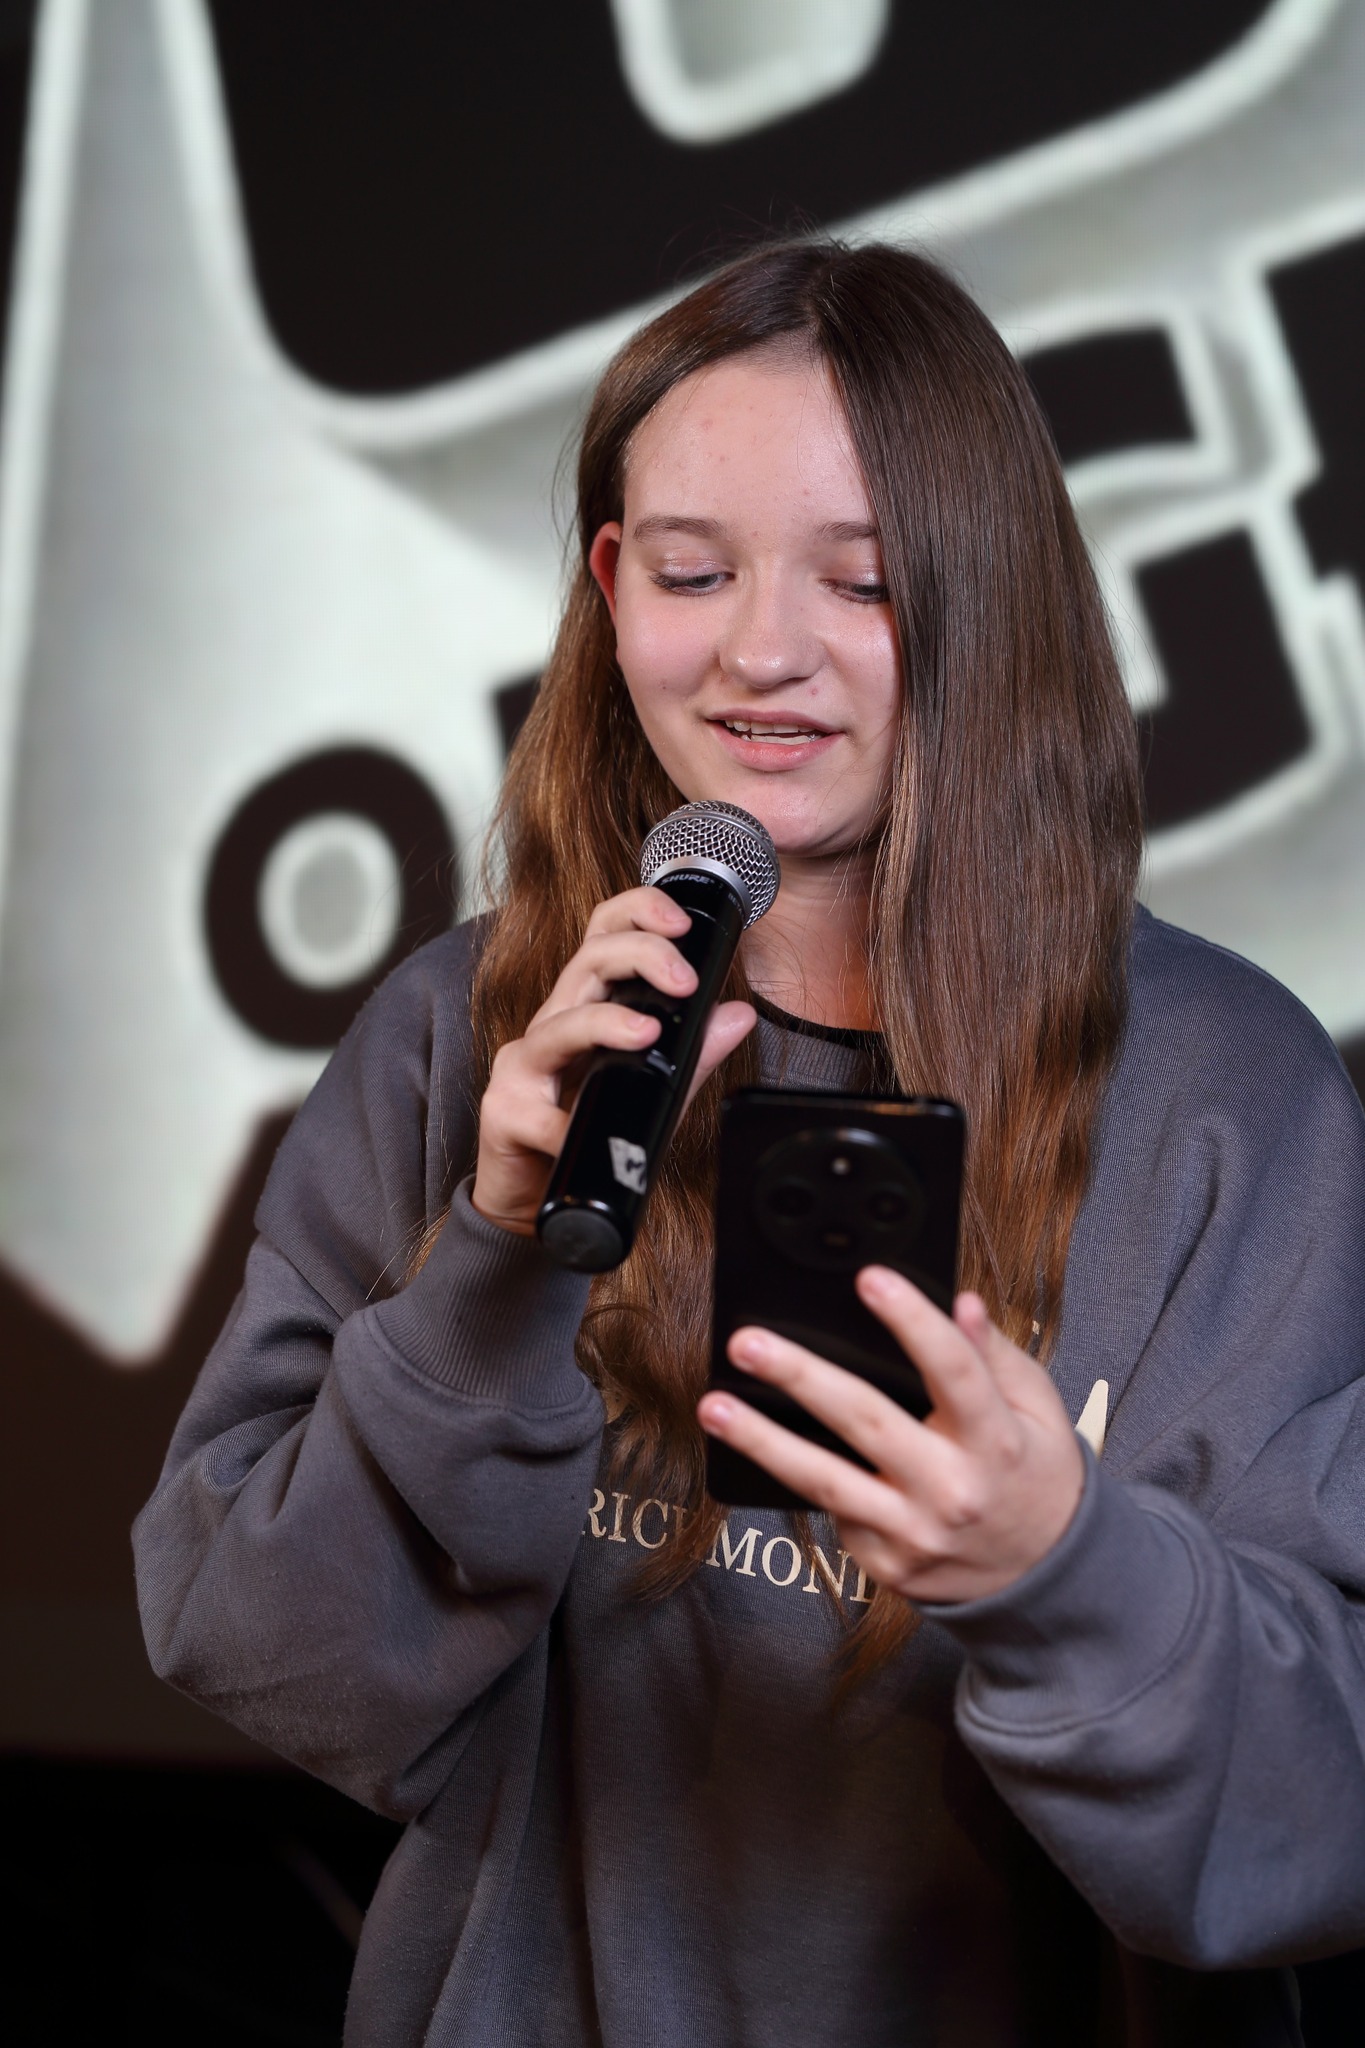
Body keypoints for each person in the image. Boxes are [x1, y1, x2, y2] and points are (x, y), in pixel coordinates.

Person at [134, 241, 1365, 2047]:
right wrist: (490, 1260)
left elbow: (1314, 1832)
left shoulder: (1226, 1097)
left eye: (858, 583)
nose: (758, 653)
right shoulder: (472, 1035)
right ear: (609, 583)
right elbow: (271, 1664)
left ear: (986, 598)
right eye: (692, 572)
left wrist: (1060, 1565)